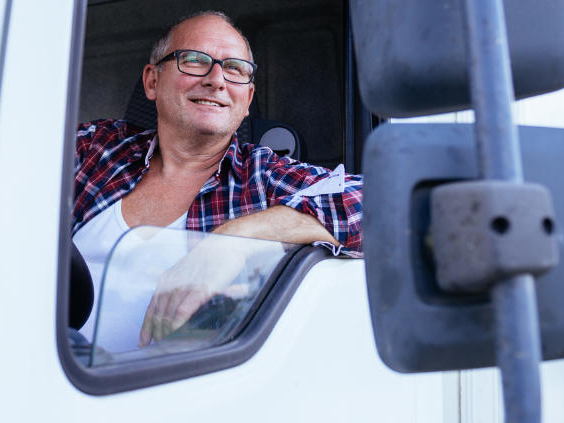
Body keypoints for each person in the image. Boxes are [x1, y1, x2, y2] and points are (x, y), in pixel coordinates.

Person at [71, 11, 363, 347]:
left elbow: (389, 203)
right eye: (194, 60)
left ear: (248, 99)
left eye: (235, 68)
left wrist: (235, 240)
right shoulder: (99, 145)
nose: (217, 79)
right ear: (152, 81)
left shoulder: (262, 178)